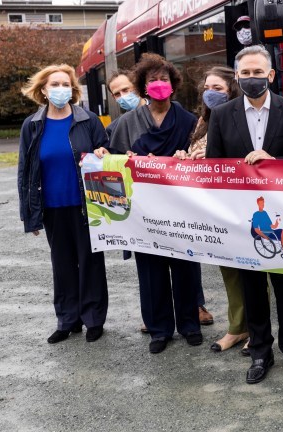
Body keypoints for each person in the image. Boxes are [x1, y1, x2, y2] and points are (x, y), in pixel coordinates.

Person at [205, 44, 283, 384]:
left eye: (258, 72)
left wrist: (277, 164)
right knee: (252, 286)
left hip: (282, 214)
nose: (252, 78)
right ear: (237, 76)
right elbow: (214, 167)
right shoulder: (221, 116)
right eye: (245, 73)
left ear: (271, 75)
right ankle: (261, 350)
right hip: (242, 219)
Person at [94, 53, 202, 354]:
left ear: (173, 84)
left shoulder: (189, 121)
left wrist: (187, 158)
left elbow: (200, 157)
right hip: (143, 213)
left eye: (163, 80)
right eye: (152, 81)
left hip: (180, 208)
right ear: (143, 87)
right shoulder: (126, 123)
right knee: (151, 271)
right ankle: (159, 329)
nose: (158, 85)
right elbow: (111, 157)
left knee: (185, 267)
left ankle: (190, 324)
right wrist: (104, 153)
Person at [18, 64, 109, 344]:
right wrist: (29, 214)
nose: (61, 89)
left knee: (91, 262)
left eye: (65, 84)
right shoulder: (32, 125)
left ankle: (93, 319)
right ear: (43, 90)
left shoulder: (89, 120)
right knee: (62, 265)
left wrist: (104, 152)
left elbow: (107, 156)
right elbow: (25, 170)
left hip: (86, 205)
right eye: (54, 84)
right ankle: (68, 320)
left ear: (73, 89)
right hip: (52, 208)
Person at [173, 66, 255, 353]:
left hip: (241, 205)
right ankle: (238, 327)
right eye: (207, 87)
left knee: (255, 271)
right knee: (229, 270)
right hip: (215, 210)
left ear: (232, 89)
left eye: (218, 88)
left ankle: (258, 330)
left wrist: (211, 158)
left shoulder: (241, 118)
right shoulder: (201, 122)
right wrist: (185, 156)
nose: (211, 93)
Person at [106, 70, 146, 140]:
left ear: (137, 87)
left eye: (125, 90)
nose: (123, 96)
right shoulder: (114, 128)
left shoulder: (161, 112)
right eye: (117, 94)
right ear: (113, 97)